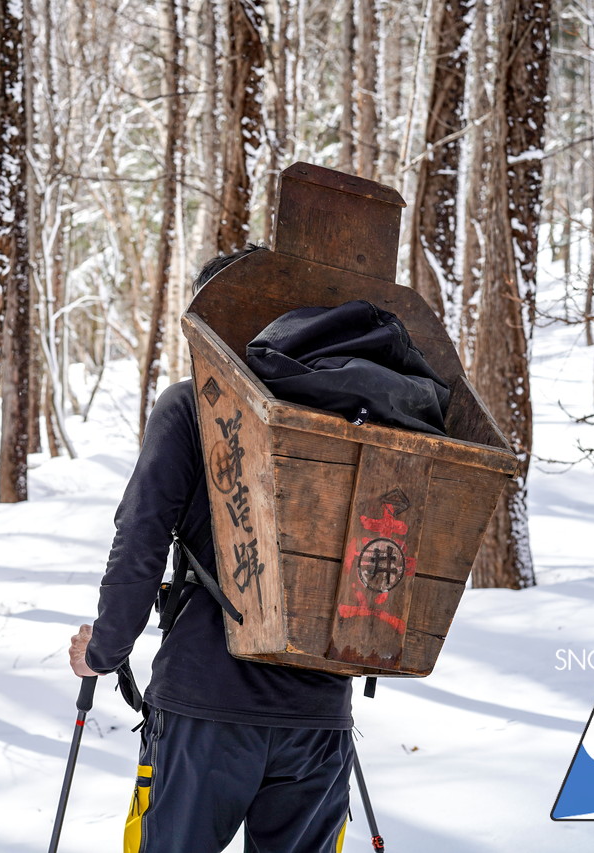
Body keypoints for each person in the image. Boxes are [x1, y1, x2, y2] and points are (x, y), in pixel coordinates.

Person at [68, 246, 355, 853]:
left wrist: (104, 649)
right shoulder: (347, 419)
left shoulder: (191, 406)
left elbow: (141, 537)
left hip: (206, 705)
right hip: (318, 718)